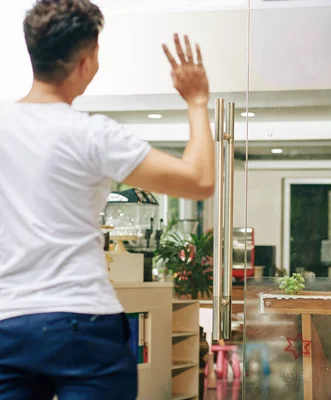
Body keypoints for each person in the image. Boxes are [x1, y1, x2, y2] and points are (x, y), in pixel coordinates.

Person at [0, 1, 214, 399]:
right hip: (84, 322)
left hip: (6, 324)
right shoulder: (92, 134)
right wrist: (197, 102)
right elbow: (200, 180)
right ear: (86, 62)